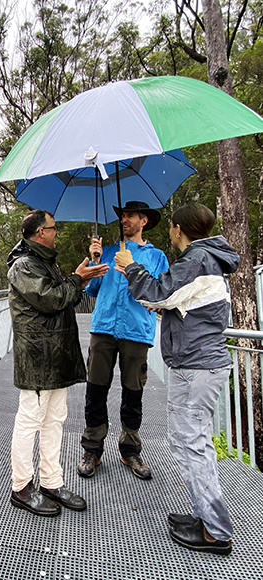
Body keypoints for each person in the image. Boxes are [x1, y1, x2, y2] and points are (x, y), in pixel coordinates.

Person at [114, 202, 239, 555]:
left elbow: (159, 292)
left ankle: (215, 532)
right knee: (187, 442)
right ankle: (203, 517)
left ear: (178, 229)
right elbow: (174, 300)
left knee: (192, 446)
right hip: (196, 363)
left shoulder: (197, 260)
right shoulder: (206, 259)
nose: (169, 230)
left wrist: (131, 267)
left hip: (197, 366)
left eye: (170, 225)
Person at [8, 209, 108, 517]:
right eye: (53, 229)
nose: (56, 233)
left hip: (56, 355)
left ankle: (51, 482)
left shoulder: (43, 262)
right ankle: (21, 487)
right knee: (29, 422)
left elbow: (63, 297)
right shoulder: (24, 265)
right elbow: (50, 299)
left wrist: (76, 278)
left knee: (54, 421)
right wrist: (78, 279)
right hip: (38, 356)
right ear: (40, 232)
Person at [78, 201, 169, 480]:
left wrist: (131, 270)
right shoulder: (107, 251)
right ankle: (92, 448)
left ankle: (130, 449)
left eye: (130, 216)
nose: (125, 220)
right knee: (95, 390)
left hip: (136, 331)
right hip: (103, 327)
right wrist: (94, 262)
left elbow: (159, 292)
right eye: (123, 216)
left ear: (144, 221)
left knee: (133, 393)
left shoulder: (156, 256)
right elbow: (90, 289)